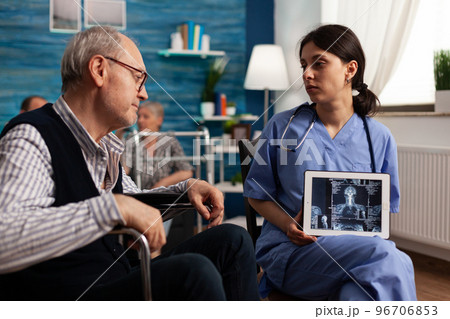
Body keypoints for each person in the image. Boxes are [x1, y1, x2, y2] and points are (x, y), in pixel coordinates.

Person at [0, 26, 259, 301]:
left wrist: (185, 191)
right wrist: (114, 207)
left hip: (117, 277)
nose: (144, 93)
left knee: (233, 239)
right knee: (193, 272)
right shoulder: (31, 136)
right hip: (71, 294)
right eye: (138, 78)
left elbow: (135, 204)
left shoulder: (106, 147)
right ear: (99, 69)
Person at [244, 24, 416, 301]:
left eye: (319, 63)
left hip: (358, 255)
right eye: (304, 65)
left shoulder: (379, 138)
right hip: (293, 253)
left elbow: (380, 214)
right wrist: (288, 224)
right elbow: (256, 194)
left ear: (350, 69)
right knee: (392, 259)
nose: (306, 74)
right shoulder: (282, 127)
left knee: (359, 293)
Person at [124, 101, 194, 189]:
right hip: (137, 195)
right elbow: (123, 170)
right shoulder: (132, 139)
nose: (140, 120)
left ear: (159, 120)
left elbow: (186, 171)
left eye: (146, 117)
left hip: (161, 195)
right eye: (139, 116)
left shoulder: (169, 141)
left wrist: (161, 184)